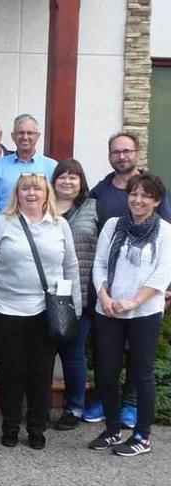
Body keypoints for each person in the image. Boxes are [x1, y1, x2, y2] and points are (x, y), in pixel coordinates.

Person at [0, 173, 80, 450]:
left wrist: (75, 307)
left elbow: (71, 266)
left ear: (46, 194)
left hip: (46, 311)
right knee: (12, 371)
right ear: (17, 194)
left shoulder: (60, 225)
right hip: (6, 308)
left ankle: (36, 429)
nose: (31, 193)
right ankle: (10, 427)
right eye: (25, 189)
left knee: (41, 373)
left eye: (37, 188)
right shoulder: (3, 224)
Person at [84, 132, 171, 424]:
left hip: (144, 305)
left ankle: (134, 416)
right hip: (108, 304)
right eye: (134, 195)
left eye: (145, 196)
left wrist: (136, 301)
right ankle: (107, 416)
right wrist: (105, 297)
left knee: (140, 367)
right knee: (105, 365)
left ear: (156, 200)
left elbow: (163, 266)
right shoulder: (103, 199)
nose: (138, 199)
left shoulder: (163, 223)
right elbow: (99, 261)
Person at [49, 159, 98, 430]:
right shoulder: (43, 207)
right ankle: (38, 407)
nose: (67, 182)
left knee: (73, 354)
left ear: (81, 183)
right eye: (62, 177)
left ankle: (74, 408)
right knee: (43, 354)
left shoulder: (93, 208)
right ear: (54, 180)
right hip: (45, 293)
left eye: (73, 178)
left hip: (79, 293)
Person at [0, 114, 58, 216]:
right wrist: (1, 228)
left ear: (38, 136)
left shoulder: (51, 166)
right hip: (6, 229)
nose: (25, 137)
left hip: (41, 229)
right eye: (21, 133)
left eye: (30, 133)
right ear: (13, 136)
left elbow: (56, 201)